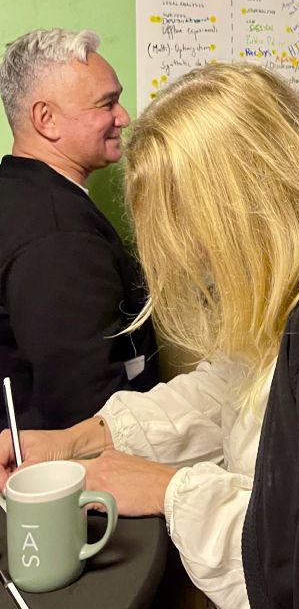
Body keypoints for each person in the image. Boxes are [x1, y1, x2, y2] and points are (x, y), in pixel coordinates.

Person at [1, 62, 299, 609]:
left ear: (236, 202)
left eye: (183, 222)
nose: (189, 254)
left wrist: (169, 490)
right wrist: (88, 436)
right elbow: (238, 384)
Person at [0, 28, 158, 429]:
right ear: (46, 119)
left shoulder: (18, 191)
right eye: (107, 104)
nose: (123, 117)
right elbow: (85, 405)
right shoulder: (58, 237)